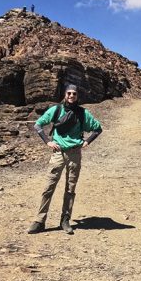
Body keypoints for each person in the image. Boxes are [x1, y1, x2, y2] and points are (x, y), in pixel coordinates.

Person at [28, 83, 102, 235]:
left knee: (70, 188)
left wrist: (87, 141)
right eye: (69, 93)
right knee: (49, 187)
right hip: (58, 154)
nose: (71, 96)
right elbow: (38, 125)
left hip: (75, 153)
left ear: (77, 96)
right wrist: (47, 141)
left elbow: (98, 128)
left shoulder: (83, 113)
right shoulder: (56, 110)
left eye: (74, 94)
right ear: (65, 94)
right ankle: (40, 221)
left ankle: (65, 220)